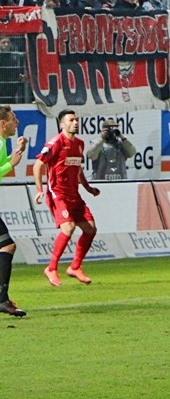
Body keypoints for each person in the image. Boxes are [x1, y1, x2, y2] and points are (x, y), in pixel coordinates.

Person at [33, 109, 101, 286]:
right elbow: (38, 164)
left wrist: (88, 188)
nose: (75, 122)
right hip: (58, 193)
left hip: (74, 194)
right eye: (71, 120)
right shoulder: (55, 142)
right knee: (68, 227)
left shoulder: (79, 144)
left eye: (76, 119)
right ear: (62, 124)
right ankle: (51, 267)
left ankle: (75, 267)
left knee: (90, 228)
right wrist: (39, 189)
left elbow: (78, 168)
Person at [0, 105, 28, 316]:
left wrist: (14, 156)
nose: (16, 122)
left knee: (6, 246)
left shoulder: (2, 143)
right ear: (3, 124)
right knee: (7, 246)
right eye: (13, 118)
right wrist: (12, 165)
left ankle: (2, 299)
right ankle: (2, 299)